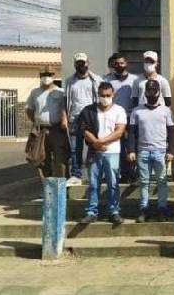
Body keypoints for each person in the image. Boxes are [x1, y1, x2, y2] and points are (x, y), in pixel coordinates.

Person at [79, 82, 127, 225]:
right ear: (98, 95)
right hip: (95, 153)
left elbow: (119, 131)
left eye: (108, 95)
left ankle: (114, 211)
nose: (105, 98)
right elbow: (84, 129)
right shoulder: (88, 110)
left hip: (112, 152)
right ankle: (91, 212)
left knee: (113, 183)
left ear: (113, 95)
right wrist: (95, 143)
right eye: (102, 95)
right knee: (94, 184)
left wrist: (101, 142)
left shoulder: (119, 110)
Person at [128, 80, 174, 223]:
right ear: (145, 92)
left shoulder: (166, 111)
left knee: (162, 181)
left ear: (159, 92)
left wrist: (171, 150)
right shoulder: (137, 111)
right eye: (149, 90)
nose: (151, 93)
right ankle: (144, 209)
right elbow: (131, 132)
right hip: (142, 151)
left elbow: (172, 132)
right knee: (144, 182)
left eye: (154, 90)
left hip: (160, 151)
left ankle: (162, 209)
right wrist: (131, 150)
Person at [64, 52, 103, 186]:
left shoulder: (96, 79)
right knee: (75, 149)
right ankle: (76, 175)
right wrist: (65, 117)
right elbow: (66, 100)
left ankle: (96, 173)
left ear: (88, 63)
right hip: (75, 119)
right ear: (75, 64)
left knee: (94, 146)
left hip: (91, 118)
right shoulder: (70, 81)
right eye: (78, 63)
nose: (81, 65)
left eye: (83, 62)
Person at [25, 65, 68, 179]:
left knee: (60, 159)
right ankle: (47, 186)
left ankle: (61, 186)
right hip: (41, 130)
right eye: (43, 75)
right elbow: (29, 109)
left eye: (49, 75)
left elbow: (65, 109)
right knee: (42, 159)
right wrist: (37, 122)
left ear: (54, 76)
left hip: (57, 130)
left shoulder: (60, 92)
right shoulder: (35, 92)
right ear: (40, 76)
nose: (46, 77)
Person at [104, 53, 139, 184]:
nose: (119, 65)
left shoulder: (134, 80)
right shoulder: (107, 80)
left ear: (126, 63)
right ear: (113, 64)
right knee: (115, 146)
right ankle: (119, 174)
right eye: (116, 63)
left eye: (122, 63)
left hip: (130, 117)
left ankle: (132, 174)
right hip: (113, 118)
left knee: (130, 147)